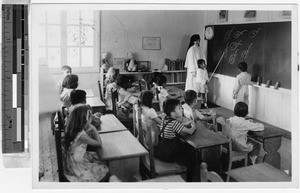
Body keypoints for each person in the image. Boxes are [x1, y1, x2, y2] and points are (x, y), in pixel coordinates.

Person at [63, 104, 109, 182]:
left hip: (73, 157)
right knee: (105, 168)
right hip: (77, 163)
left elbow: (80, 139)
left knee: (99, 158)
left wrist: (88, 131)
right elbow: (99, 143)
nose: (92, 117)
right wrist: (94, 129)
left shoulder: (75, 129)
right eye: (91, 116)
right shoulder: (82, 136)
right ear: (86, 119)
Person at [155, 98, 196, 182]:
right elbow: (190, 131)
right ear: (173, 114)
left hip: (163, 148)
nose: (182, 109)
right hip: (170, 152)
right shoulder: (175, 123)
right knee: (192, 154)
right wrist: (194, 124)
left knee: (187, 148)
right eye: (179, 108)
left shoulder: (165, 118)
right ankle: (190, 179)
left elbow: (175, 126)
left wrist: (184, 124)